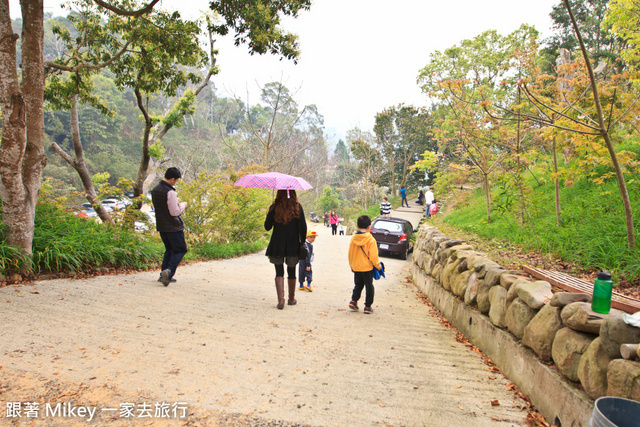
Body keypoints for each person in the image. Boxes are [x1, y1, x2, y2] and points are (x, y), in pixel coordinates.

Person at [265, 189, 307, 309]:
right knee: (292, 270)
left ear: (279, 194)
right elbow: (303, 227)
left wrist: (269, 214)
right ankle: (291, 298)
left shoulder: (274, 207)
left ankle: (280, 301)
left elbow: (267, 227)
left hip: (277, 244)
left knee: (279, 271)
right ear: (293, 194)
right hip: (293, 244)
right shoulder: (297, 207)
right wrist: (302, 241)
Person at [151, 167, 188, 287]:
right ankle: (169, 271)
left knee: (169, 249)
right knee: (181, 249)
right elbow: (174, 211)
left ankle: (163, 275)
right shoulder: (170, 192)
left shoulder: (155, 190)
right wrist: (182, 205)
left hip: (162, 225)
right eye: (176, 180)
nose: (175, 182)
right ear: (172, 179)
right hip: (173, 227)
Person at [348, 215, 381, 315]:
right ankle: (367, 306)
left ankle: (354, 301)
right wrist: (378, 266)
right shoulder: (371, 240)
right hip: (367, 268)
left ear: (357, 226)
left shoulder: (353, 239)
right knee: (369, 286)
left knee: (358, 285)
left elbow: (350, 253)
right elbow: (374, 256)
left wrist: (352, 265)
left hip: (356, 267)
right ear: (369, 227)